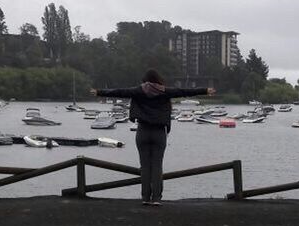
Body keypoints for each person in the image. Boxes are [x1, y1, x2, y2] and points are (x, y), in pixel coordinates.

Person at [91, 70, 214, 205]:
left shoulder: (139, 90)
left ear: (145, 80)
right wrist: (205, 90)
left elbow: (120, 92)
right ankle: (156, 198)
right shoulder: (165, 91)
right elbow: (184, 91)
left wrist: (99, 92)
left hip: (143, 131)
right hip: (159, 132)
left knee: (144, 167)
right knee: (157, 166)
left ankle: (145, 198)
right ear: (158, 80)